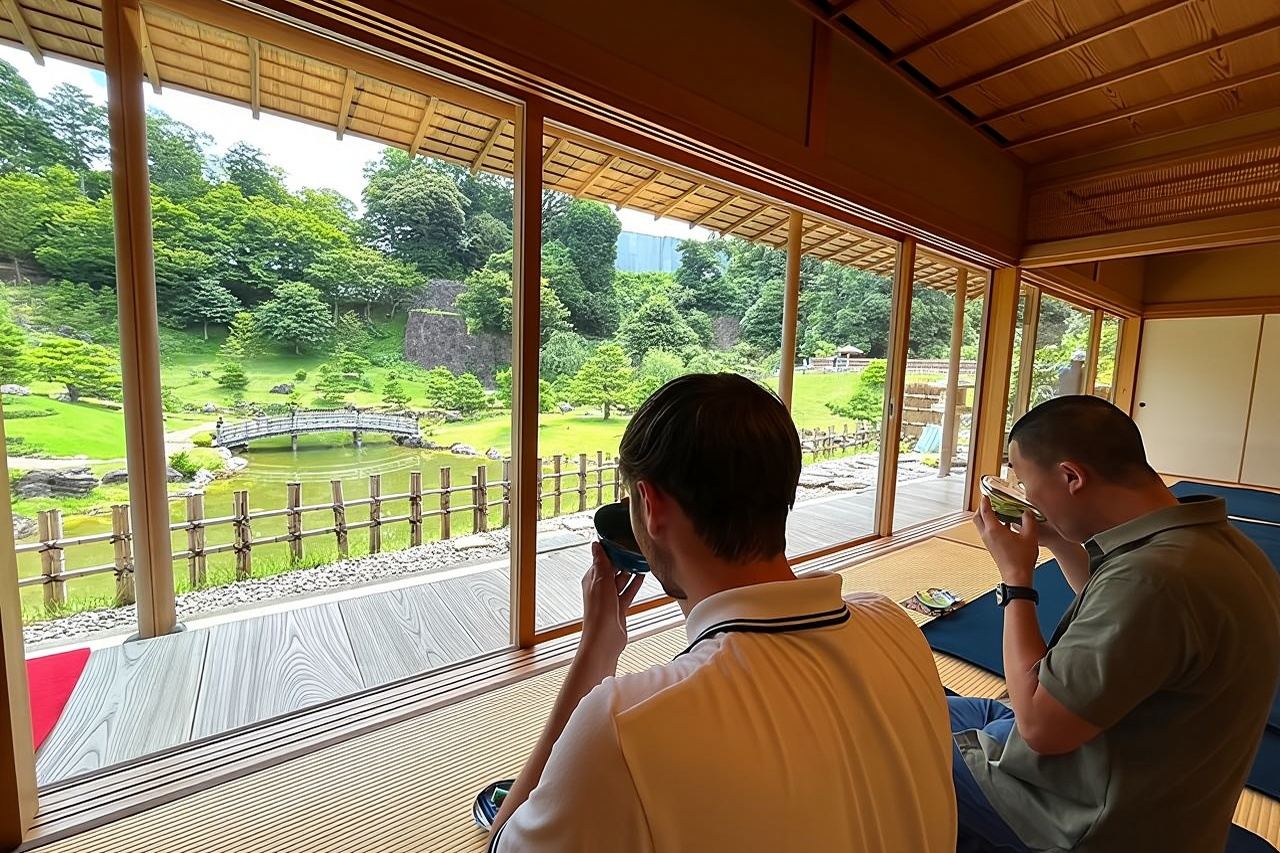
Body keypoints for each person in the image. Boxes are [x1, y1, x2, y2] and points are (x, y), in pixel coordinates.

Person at [489, 373, 956, 852]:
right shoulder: (894, 624)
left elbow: (504, 843)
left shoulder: (625, 724)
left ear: (650, 504)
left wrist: (596, 650)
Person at [953, 395, 1280, 852]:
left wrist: (1016, 580)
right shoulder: (1217, 544)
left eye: (1026, 483)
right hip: (1145, 778)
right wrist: (1057, 538)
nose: (1027, 498)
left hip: (1085, 817)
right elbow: (1122, 619)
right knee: (932, 707)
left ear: (1071, 477)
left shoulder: (1153, 579)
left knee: (889, 744)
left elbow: (1041, 729)